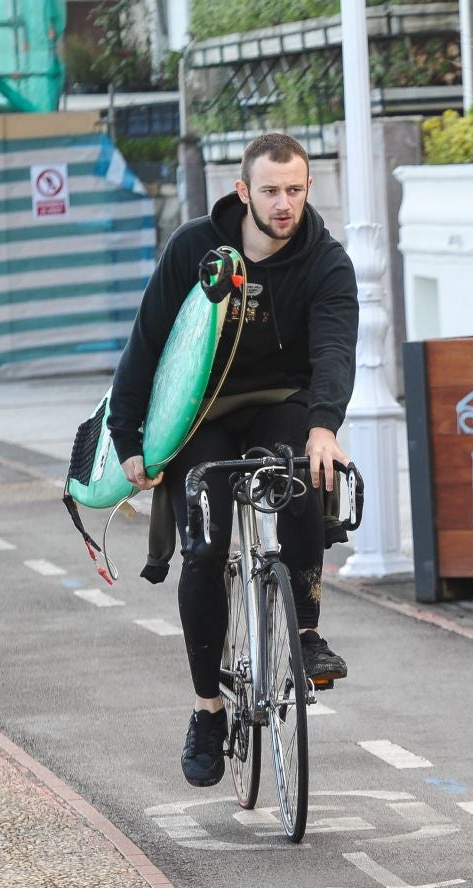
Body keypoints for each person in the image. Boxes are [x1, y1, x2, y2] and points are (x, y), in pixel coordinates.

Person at [108, 133, 359, 787]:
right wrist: (128, 438)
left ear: (308, 189)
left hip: (281, 402)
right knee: (204, 547)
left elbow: (334, 350)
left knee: (301, 473)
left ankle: (305, 634)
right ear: (243, 191)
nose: (284, 204)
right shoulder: (195, 247)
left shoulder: (326, 262)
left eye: (295, 190)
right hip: (202, 414)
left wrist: (324, 427)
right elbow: (148, 342)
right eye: (270, 191)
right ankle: (207, 710)